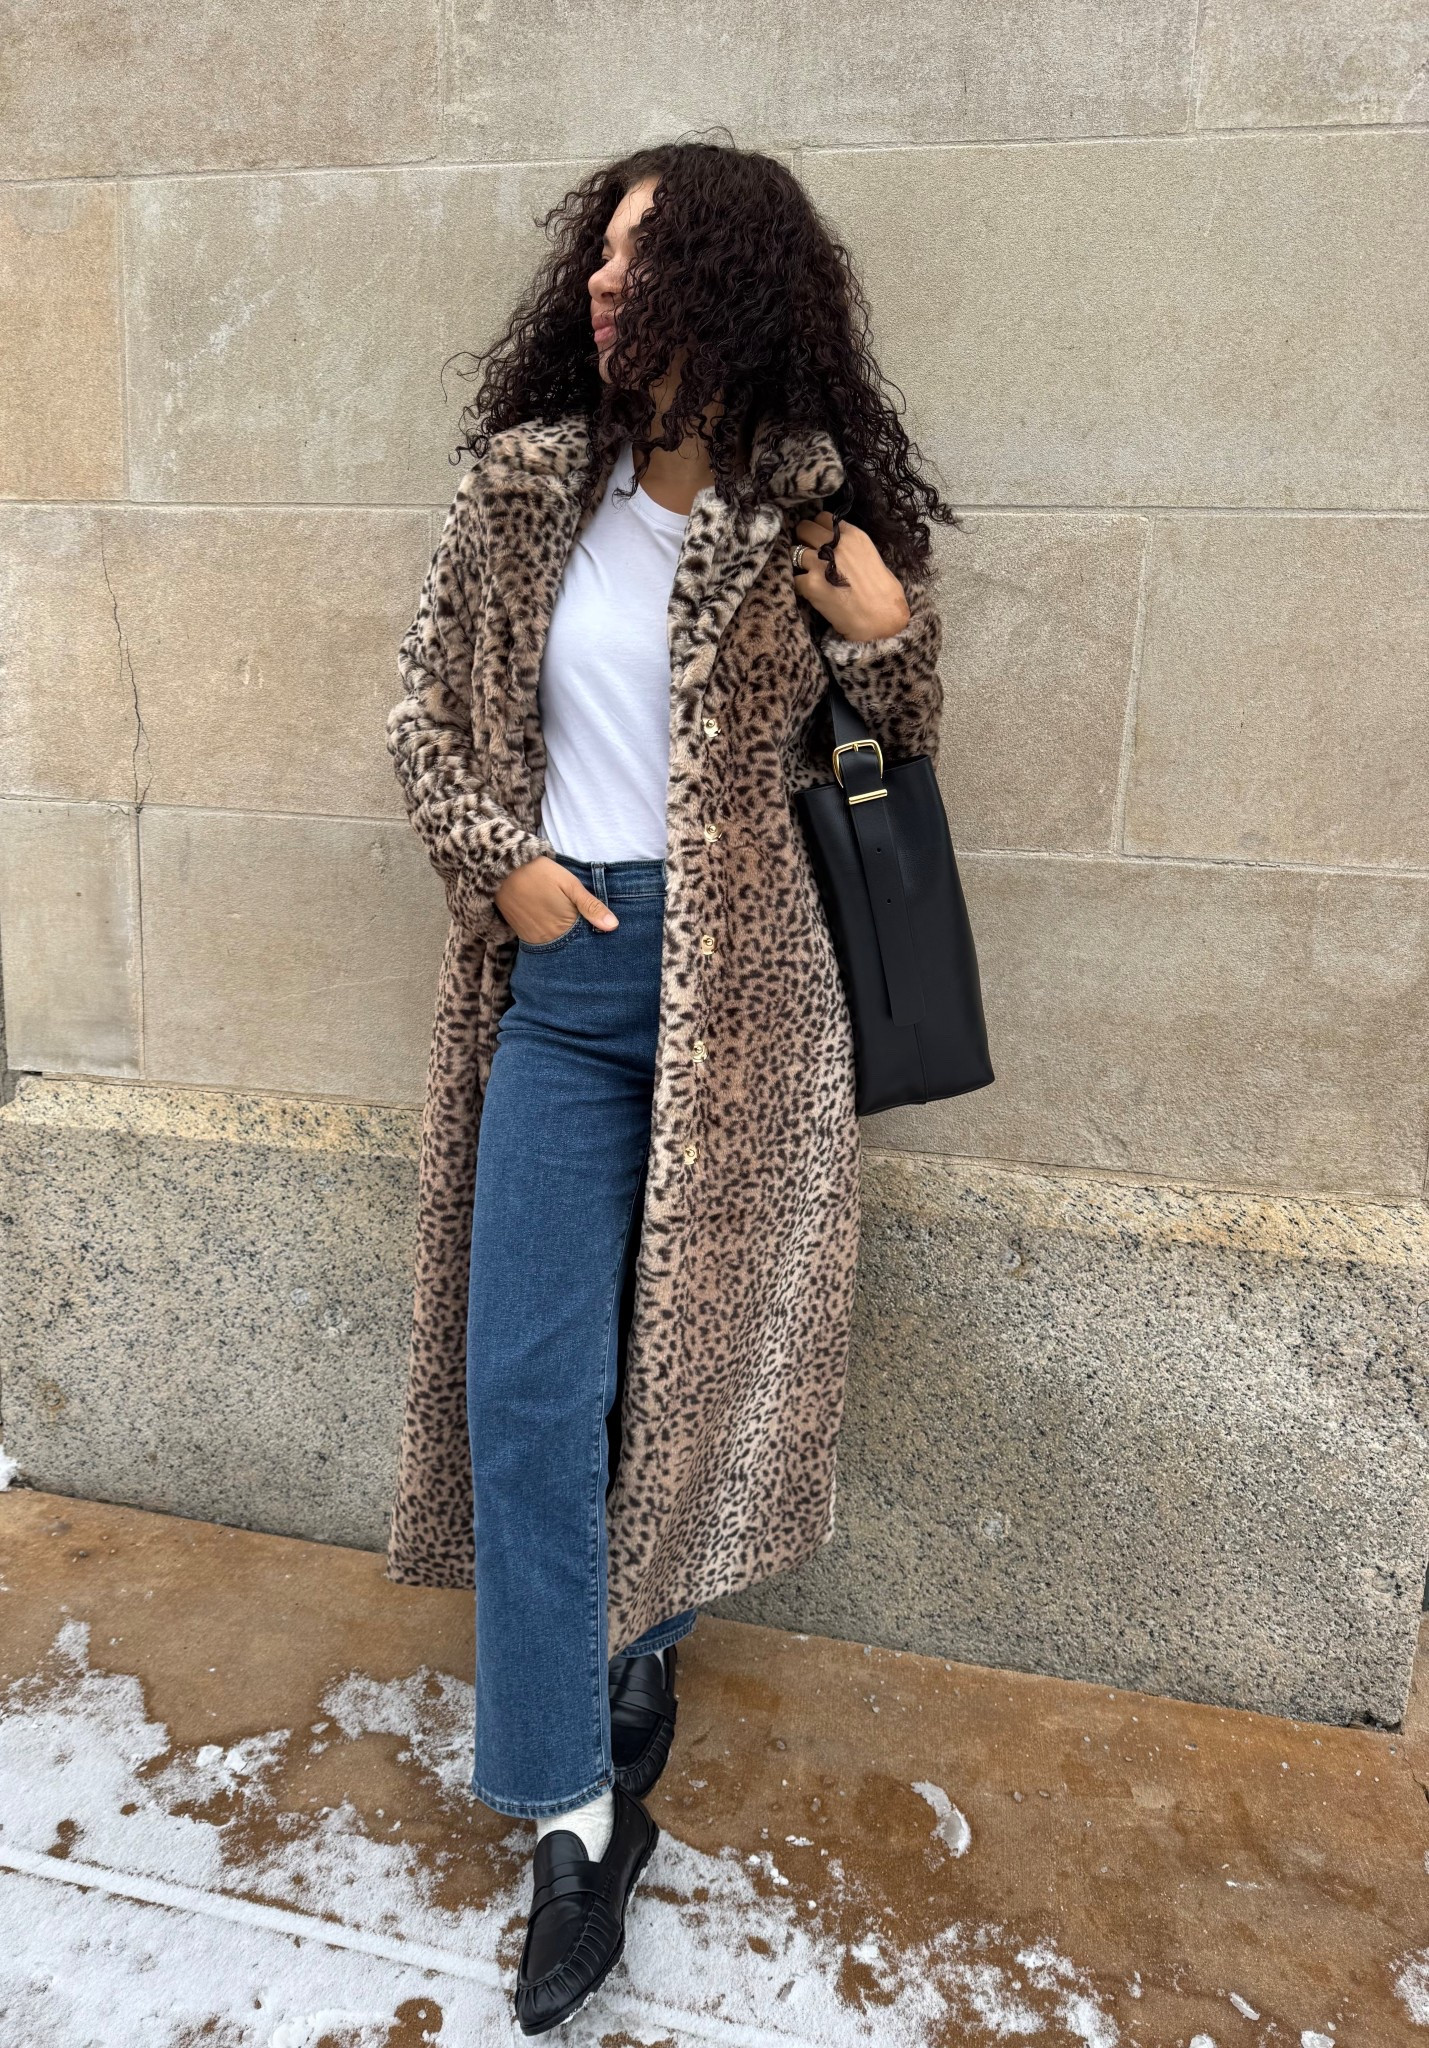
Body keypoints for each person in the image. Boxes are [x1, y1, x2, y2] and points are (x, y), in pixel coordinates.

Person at [385, 133, 958, 2034]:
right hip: (570, 980)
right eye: (599, 263)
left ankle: (640, 1656)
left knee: (697, 1380)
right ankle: (567, 1810)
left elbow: (892, 756)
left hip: (755, 1006)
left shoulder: (809, 511)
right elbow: (420, 716)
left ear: (733, 288)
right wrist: (507, 872)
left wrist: (892, 640)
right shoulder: (528, 489)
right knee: (532, 1387)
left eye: (645, 264)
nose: (610, 291)